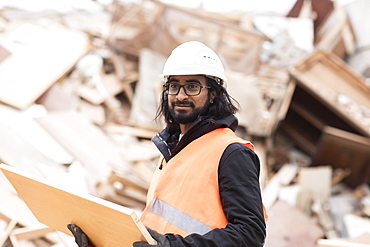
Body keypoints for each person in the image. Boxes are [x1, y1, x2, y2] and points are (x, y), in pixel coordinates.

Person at [68, 41, 267, 247]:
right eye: (174, 86)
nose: (180, 95)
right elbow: (157, 233)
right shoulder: (174, 150)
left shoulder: (231, 153)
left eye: (192, 86)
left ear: (213, 94)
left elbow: (249, 234)